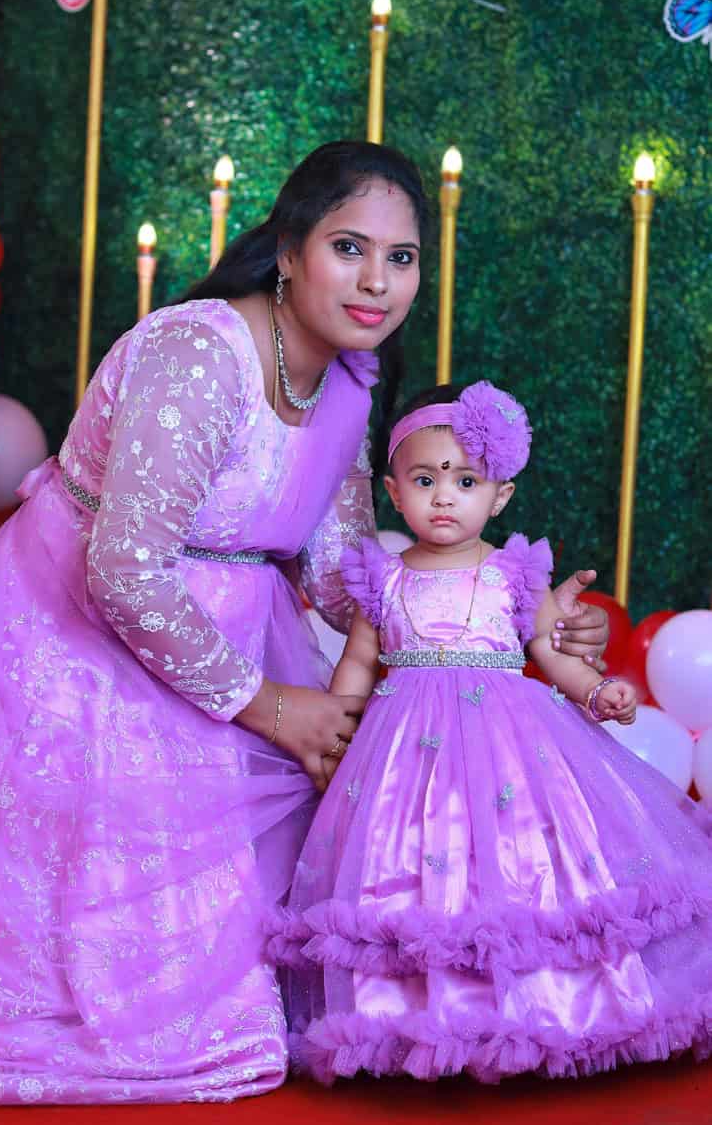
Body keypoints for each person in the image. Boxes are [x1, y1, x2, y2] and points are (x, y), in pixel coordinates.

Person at [0, 144, 608, 1108]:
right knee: (165, 976)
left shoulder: (352, 378)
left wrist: (493, 620)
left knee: (350, 832)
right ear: (287, 248)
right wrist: (272, 707)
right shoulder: (200, 355)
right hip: (75, 640)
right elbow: (123, 569)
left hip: (232, 637)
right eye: (349, 247)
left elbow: (335, 567)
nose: (375, 282)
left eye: (401, 259)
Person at [269, 380, 712, 1085]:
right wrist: (333, 731)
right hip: (401, 752)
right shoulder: (383, 578)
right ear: (393, 489)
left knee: (525, 862)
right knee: (410, 868)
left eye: (465, 480)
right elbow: (357, 663)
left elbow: (551, 651)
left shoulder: (513, 573)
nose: (444, 497)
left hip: (509, 745)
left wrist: (597, 689)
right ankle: (416, 1013)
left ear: (499, 495)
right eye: (424, 479)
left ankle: (544, 1007)